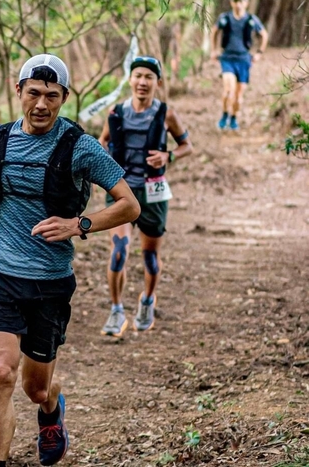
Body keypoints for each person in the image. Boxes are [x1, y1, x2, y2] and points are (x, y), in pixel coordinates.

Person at [0, 54, 140, 467]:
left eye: (52, 96)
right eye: (33, 93)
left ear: (64, 98)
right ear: (18, 91)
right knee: (0, 372)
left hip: (50, 280)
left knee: (36, 389)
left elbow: (129, 206)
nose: (41, 104)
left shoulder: (81, 148)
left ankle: (50, 410)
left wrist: (78, 224)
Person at [98, 56, 193, 338]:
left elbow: (187, 145)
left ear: (158, 82)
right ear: (130, 80)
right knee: (119, 252)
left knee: (150, 256)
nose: (142, 82)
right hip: (120, 191)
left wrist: (169, 155)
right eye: (138, 75)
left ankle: (147, 301)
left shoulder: (166, 114)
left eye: (149, 77)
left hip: (153, 193)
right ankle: (116, 310)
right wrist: (102, 163)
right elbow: (104, 140)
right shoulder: (115, 112)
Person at [210, 0, 268, 131]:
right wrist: (213, 50)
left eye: (241, 1)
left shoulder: (251, 19)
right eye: (236, 1)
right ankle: (224, 115)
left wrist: (259, 53)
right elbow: (214, 31)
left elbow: (264, 34)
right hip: (227, 59)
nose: (238, 4)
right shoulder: (224, 18)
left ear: (246, 3)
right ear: (231, 3)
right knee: (228, 90)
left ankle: (234, 118)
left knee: (238, 96)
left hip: (243, 60)